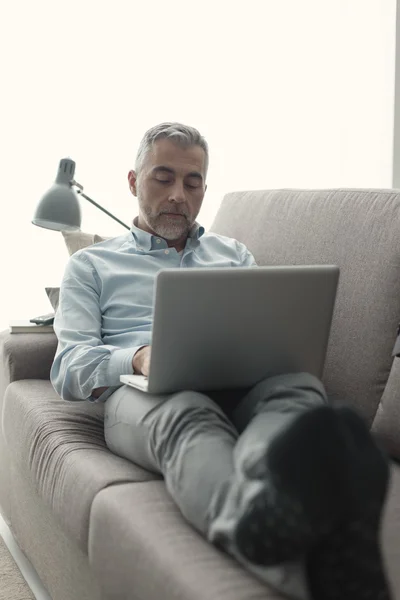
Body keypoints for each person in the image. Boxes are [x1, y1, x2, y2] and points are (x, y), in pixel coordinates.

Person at [51, 122, 392, 600]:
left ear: (205, 188)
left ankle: (274, 487)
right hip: (148, 396)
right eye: (162, 177)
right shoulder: (91, 266)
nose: (178, 195)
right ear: (133, 182)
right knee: (188, 412)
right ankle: (260, 529)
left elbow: (265, 332)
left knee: (300, 387)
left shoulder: (233, 254)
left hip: (242, 387)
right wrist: (141, 356)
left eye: (192, 182)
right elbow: (70, 366)